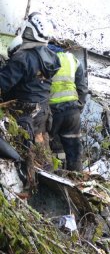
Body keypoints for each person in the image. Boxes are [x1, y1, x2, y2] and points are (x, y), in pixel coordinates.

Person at [0, 12, 60, 179]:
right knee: (42, 153)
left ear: (29, 31)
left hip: (23, 112)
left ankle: (26, 187)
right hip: (42, 112)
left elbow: (3, 83)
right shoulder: (53, 57)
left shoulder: (23, 57)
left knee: (22, 152)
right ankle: (47, 185)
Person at [47, 43, 87, 171]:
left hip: (52, 112)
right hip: (73, 113)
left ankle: (50, 178)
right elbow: (82, 88)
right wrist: (78, 107)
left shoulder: (44, 58)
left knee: (48, 147)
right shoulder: (72, 59)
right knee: (74, 152)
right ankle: (78, 181)